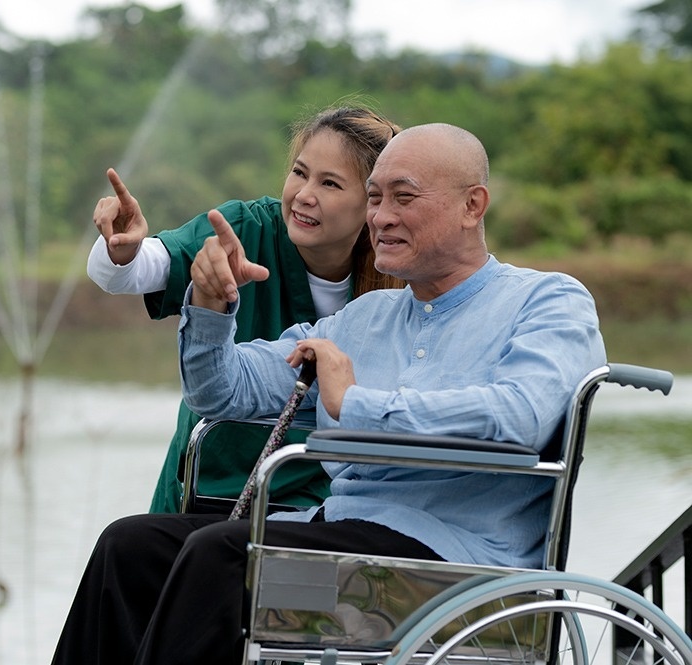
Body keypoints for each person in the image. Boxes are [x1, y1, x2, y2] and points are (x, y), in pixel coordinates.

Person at [51, 123, 607, 665]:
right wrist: (211, 307)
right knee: (133, 548)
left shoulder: (547, 300)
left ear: (472, 205)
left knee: (223, 559)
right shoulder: (366, 317)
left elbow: (521, 415)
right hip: (340, 544)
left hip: (453, 573)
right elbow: (223, 392)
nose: (381, 217)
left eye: (403, 197)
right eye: (374, 198)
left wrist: (354, 403)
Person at [87, 104, 405, 513]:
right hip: (209, 488)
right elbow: (133, 272)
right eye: (300, 173)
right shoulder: (246, 230)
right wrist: (122, 247)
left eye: (330, 183)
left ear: (373, 203)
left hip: (321, 500)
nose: (304, 195)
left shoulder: (398, 267)